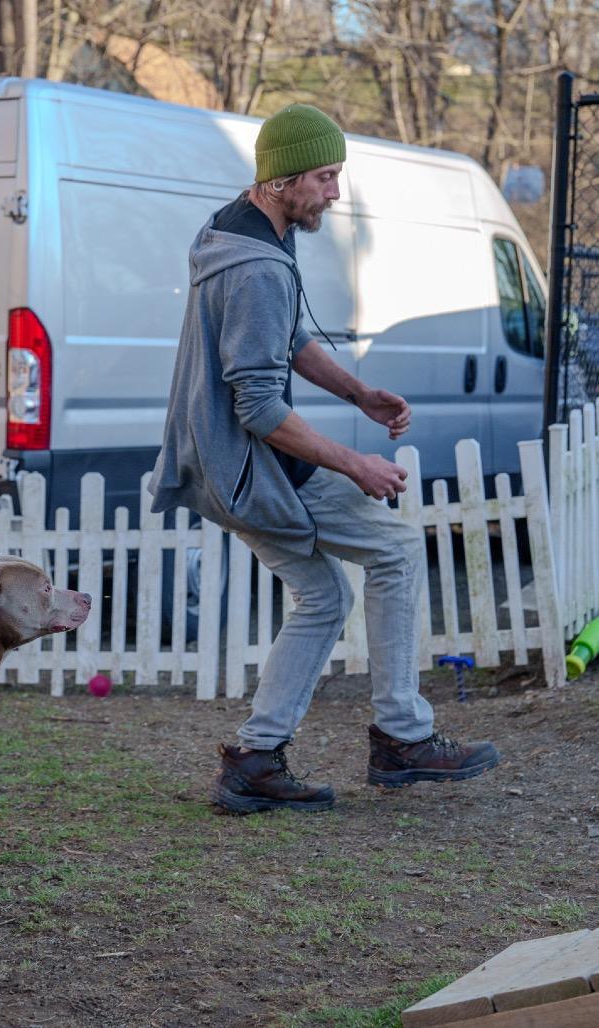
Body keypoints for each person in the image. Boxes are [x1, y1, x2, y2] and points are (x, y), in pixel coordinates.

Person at [148, 103, 499, 814]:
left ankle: (254, 761)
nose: (335, 193)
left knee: (323, 595)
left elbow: (288, 340)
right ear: (280, 181)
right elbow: (258, 406)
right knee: (396, 551)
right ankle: (402, 737)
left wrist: (359, 391)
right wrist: (354, 464)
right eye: (325, 177)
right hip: (255, 468)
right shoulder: (256, 269)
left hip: (221, 462)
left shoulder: (239, 228)